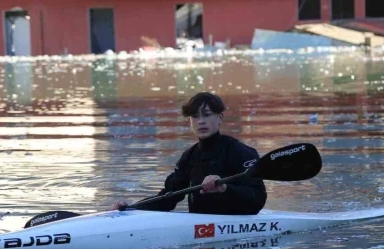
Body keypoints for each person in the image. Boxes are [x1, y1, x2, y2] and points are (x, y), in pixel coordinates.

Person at [109, 92, 266, 215]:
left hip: (235, 227)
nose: (201, 121)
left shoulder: (240, 152)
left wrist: (224, 188)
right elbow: (167, 198)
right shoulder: (189, 157)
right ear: (190, 121)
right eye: (195, 116)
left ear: (220, 117)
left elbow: (258, 199)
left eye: (206, 114)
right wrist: (131, 208)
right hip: (199, 229)